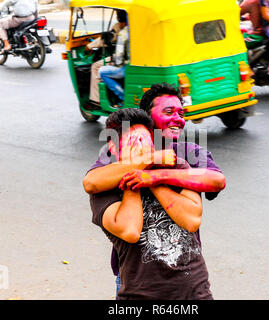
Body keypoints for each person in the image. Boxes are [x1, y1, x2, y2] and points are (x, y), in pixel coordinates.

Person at [83, 82, 226, 296]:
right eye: (168, 112)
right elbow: (91, 182)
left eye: (181, 112)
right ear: (149, 119)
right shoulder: (116, 158)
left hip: (189, 282)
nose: (178, 118)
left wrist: (154, 176)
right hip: (136, 280)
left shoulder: (187, 154)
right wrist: (147, 160)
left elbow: (216, 181)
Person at [87, 10, 128, 108]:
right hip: (135, 63)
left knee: (98, 68)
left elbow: (118, 58)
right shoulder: (138, 28)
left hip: (125, 66)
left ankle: (97, 100)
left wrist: (90, 46)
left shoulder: (122, 32)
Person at [98, 15, 129, 106]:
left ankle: (122, 96)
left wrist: (114, 63)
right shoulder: (138, 31)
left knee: (102, 71)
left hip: (126, 69)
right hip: (136, 66)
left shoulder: (123, 34)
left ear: (122, 23)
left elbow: (119, 59)